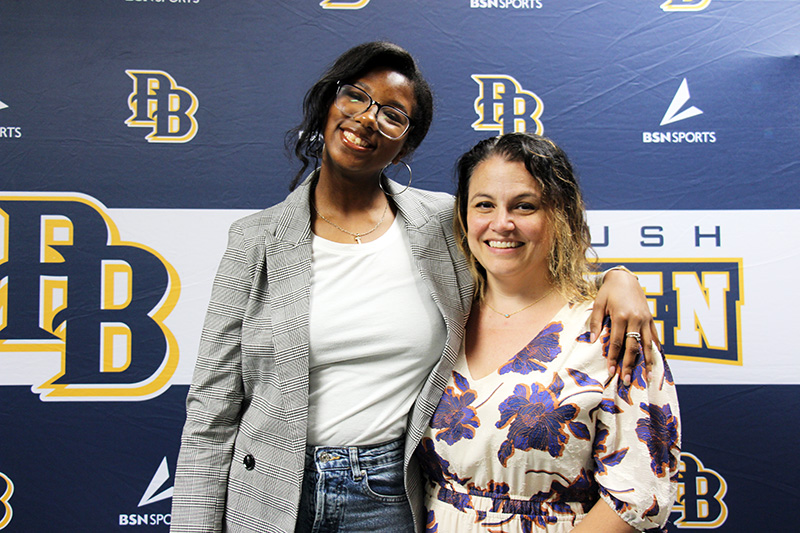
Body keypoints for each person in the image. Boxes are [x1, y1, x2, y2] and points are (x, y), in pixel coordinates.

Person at [170, 42, 658, 533]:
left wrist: (617, 279)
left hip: (388, 494)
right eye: (356, 96)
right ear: (328, 104)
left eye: (392, 114)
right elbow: (211, 410)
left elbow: (525, 269)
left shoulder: (441, 222)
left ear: (405, 143)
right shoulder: (253, 240)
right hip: (269, 493)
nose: (366, 119)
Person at [416, 132, 680, 532]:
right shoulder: (441, 317)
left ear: (560, 215)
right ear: (463, 217)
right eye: (484, 205)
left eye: (524, 206)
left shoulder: (611, 328)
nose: (501, 224)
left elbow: (640, 497)